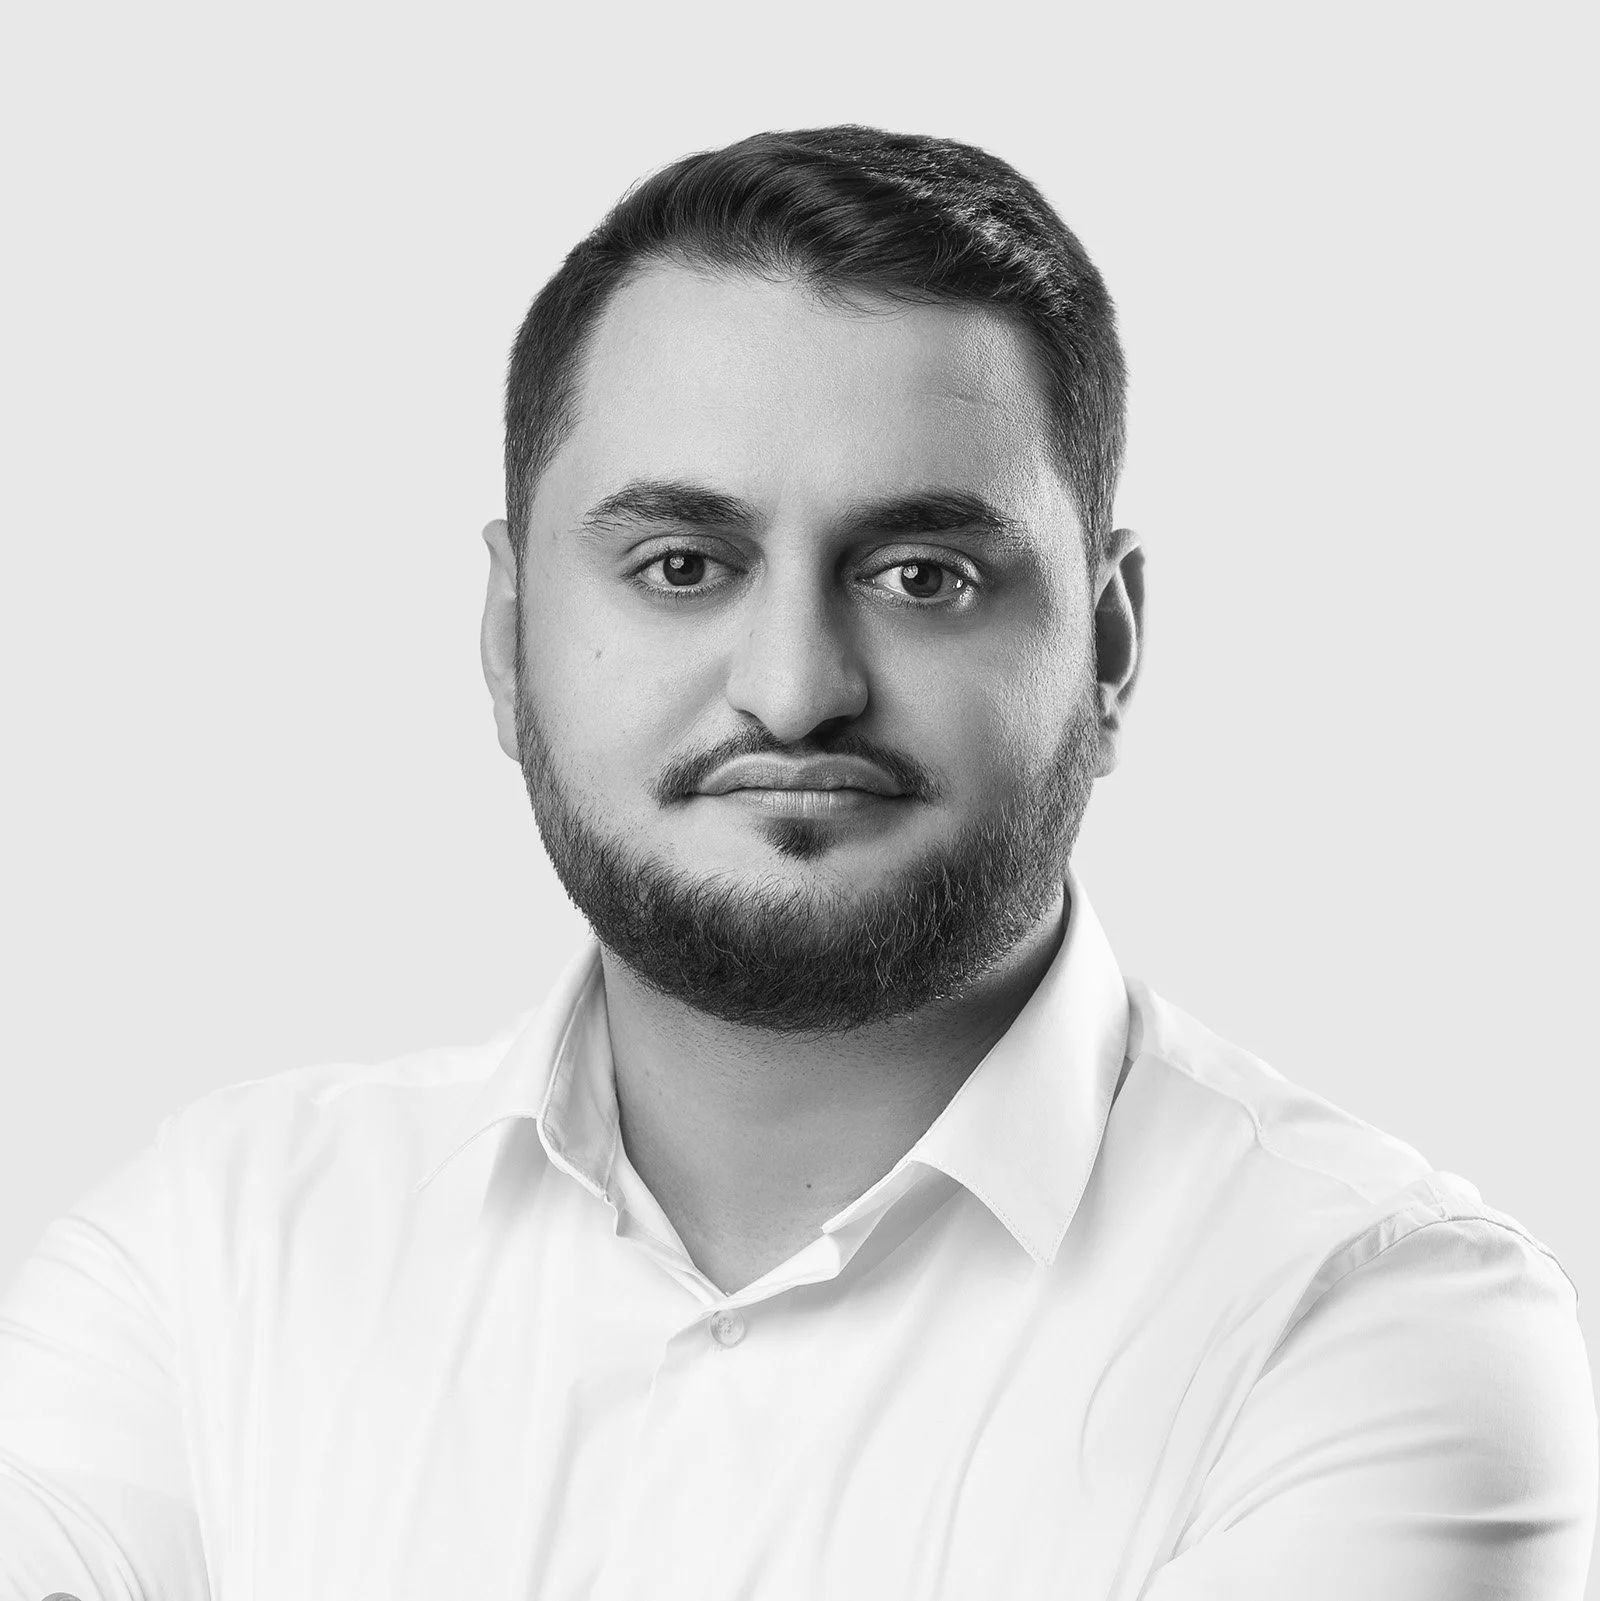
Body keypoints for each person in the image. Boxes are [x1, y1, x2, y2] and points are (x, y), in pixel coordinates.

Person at [1, 125, 1594, 1601]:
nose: (793, 687)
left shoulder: (1373, 1317)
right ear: (508, 636)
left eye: (923, 574)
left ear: (1108, 647)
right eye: (680, 565)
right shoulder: (211, 1258)